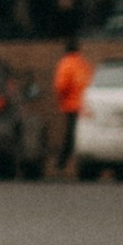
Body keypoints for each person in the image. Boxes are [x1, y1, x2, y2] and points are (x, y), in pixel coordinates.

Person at [51, 37, 92, 171]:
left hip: (71, 104)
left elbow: (61, 85)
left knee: (71, 134)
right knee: (77, 134)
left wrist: (61, 100)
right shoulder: (83, 63)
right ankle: (69, 161)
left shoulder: (66, 63)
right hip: (84, 105)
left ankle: (62, 162)